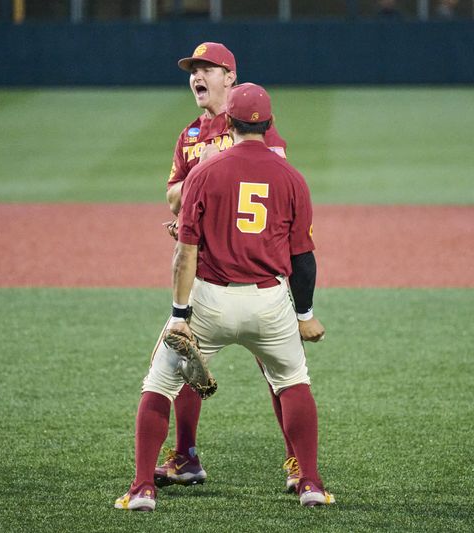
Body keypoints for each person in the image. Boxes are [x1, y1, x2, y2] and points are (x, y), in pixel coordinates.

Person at [115, 83, 334, 511]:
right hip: (270, 302)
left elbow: (185, 254)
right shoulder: (291, 176)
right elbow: (303, 258)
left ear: (228, 123)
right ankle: (309, 482)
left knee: (159, 385)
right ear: (269, 124)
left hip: (210, 301)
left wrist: (180, 314)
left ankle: (142, 488)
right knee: (293, 383)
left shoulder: (205, 171)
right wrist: (305, 314)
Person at [156, 42, 301, 493]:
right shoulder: (190, 135)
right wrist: (196, 200)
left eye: (207, 69)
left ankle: (298, 461)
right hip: (206, 272)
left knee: (277, 371)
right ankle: (185, 455)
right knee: (185, 360)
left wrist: (209, 179)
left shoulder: (254, 123)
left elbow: (273, 180)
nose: (197, 77)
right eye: (192, 70)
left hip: (256, 267)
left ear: (229, 78)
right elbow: (174, 193)